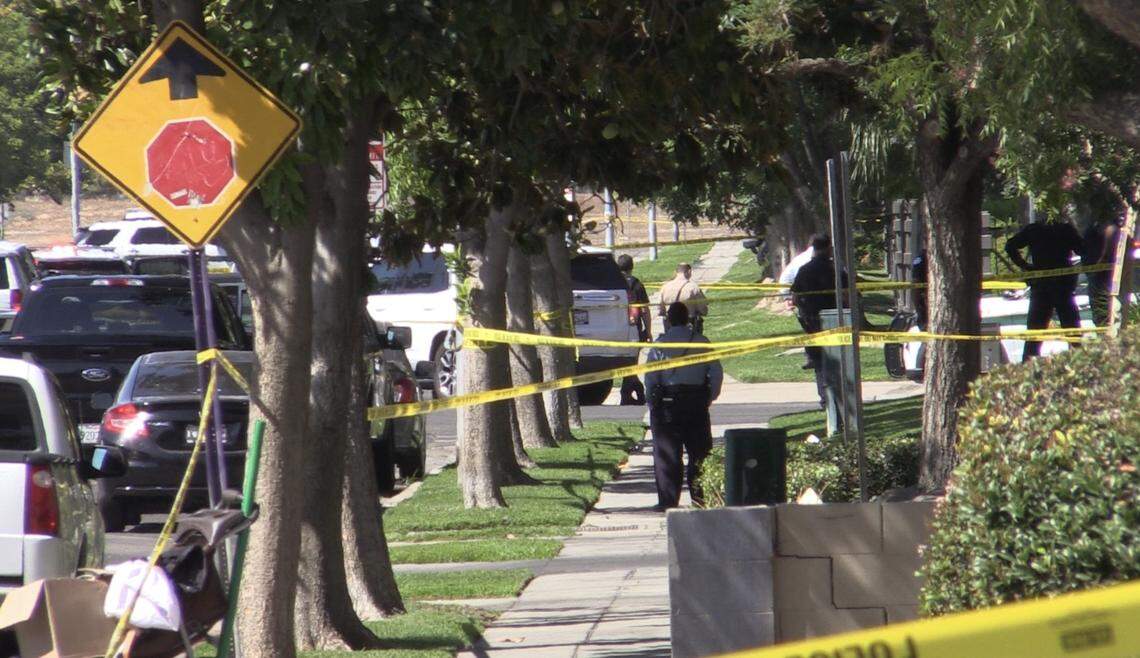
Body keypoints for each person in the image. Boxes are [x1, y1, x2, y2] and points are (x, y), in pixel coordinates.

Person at [644, 302, 723, 510]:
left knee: (667, 454)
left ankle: (668, 500)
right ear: (688, 319)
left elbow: (651, 377)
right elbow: (716, 373)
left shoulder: (661, 345)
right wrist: (709, 397)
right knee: (700, 453)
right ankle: (700, 497)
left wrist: (652, 402)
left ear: (668, 320)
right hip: (696, 402)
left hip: (667, 404)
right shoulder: (701, 342)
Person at [1005, 219, 1084, 360]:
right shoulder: (1064, 229)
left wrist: (1025, 266)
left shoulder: (1035, 229)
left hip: (1044, 285)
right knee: (1072, 331)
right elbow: (1083, 249)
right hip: (1061, 286)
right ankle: (1079, 364)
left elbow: (1010, 246)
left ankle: (1029, 365)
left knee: (1035, 333)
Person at [791, 235, 848, 426]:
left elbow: (795, 297)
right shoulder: (835, 270)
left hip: (813, 324)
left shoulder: (804, 270)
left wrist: (805, 314)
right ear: (828, 248)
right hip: (837, 323)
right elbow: (847, 295)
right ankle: (840, 402)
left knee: (820, 365)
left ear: (813, 248)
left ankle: (825, 400)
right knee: (840, 363)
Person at [1082, 215, 1129, 327]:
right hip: (1096, 273)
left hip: (1105, 274)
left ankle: (1107, 327)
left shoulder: (1111, 228)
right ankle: (1102, 327)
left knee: (1107, 305)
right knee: (1099, 306)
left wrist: (1099, 264)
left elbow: (1107, 252)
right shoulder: (1093, 227)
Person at [617, 254, 651, 405]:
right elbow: (644, 310)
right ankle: (630, 392)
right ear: (632, 266)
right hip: (633, 329)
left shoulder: (613, 283)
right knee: (632, 361)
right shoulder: (636, 284)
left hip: (615, 329)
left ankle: (633, 391)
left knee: (628, 363)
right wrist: (648, 331)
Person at [658, 262, 708, 331]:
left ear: (676, 272)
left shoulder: (665, 287)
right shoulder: (693, 287)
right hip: (689, 325)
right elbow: (703, 309)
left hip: (670, 325)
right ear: (689, 271)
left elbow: (660, 310)